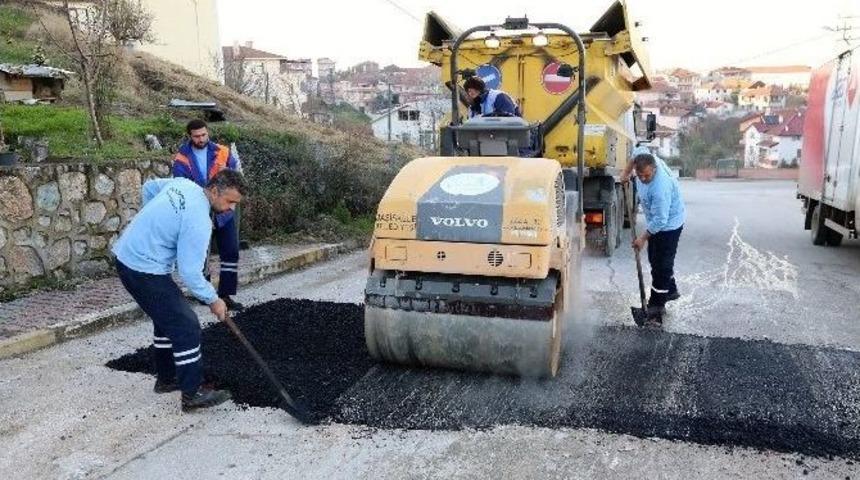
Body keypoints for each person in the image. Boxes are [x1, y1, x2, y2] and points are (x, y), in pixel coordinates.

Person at [112, 170, 248, 412]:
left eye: (235, 204)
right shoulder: (199, 220)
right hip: (142, 268)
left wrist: (155, 223)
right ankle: (192, 393)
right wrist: (214, 300)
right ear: (214, 190)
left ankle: (167, 378)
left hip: (128, 257)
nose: (230, 209)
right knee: (186, 325)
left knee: (167, 318)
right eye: (229, 201)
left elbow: (149, 188)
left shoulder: (184, 185)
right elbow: (190, 273)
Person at [173, 119, 244, 311]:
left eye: (204, 134)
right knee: (201, 253)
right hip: (199, 210)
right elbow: (181, 186)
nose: (201, 138)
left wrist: (230, 203)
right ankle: (205, 295)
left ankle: (226, 294)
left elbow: (236, 177)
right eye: (197, 136)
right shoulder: (182, 159)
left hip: (224, 210)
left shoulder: (223, 152)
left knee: (230, 251)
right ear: (190, 136)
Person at [621, 146, 686, 324]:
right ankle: (670, 290)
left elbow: (660, 220)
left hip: (669, 224)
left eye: (647, 176)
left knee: (661, 267)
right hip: (656, 221)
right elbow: (637, 153)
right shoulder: (644, 158)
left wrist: (642, 238)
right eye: (639, 175)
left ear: (654, 168)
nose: (642, 179)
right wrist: (626, 173)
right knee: (654, 259)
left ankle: (655, 310)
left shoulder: (660, 189)